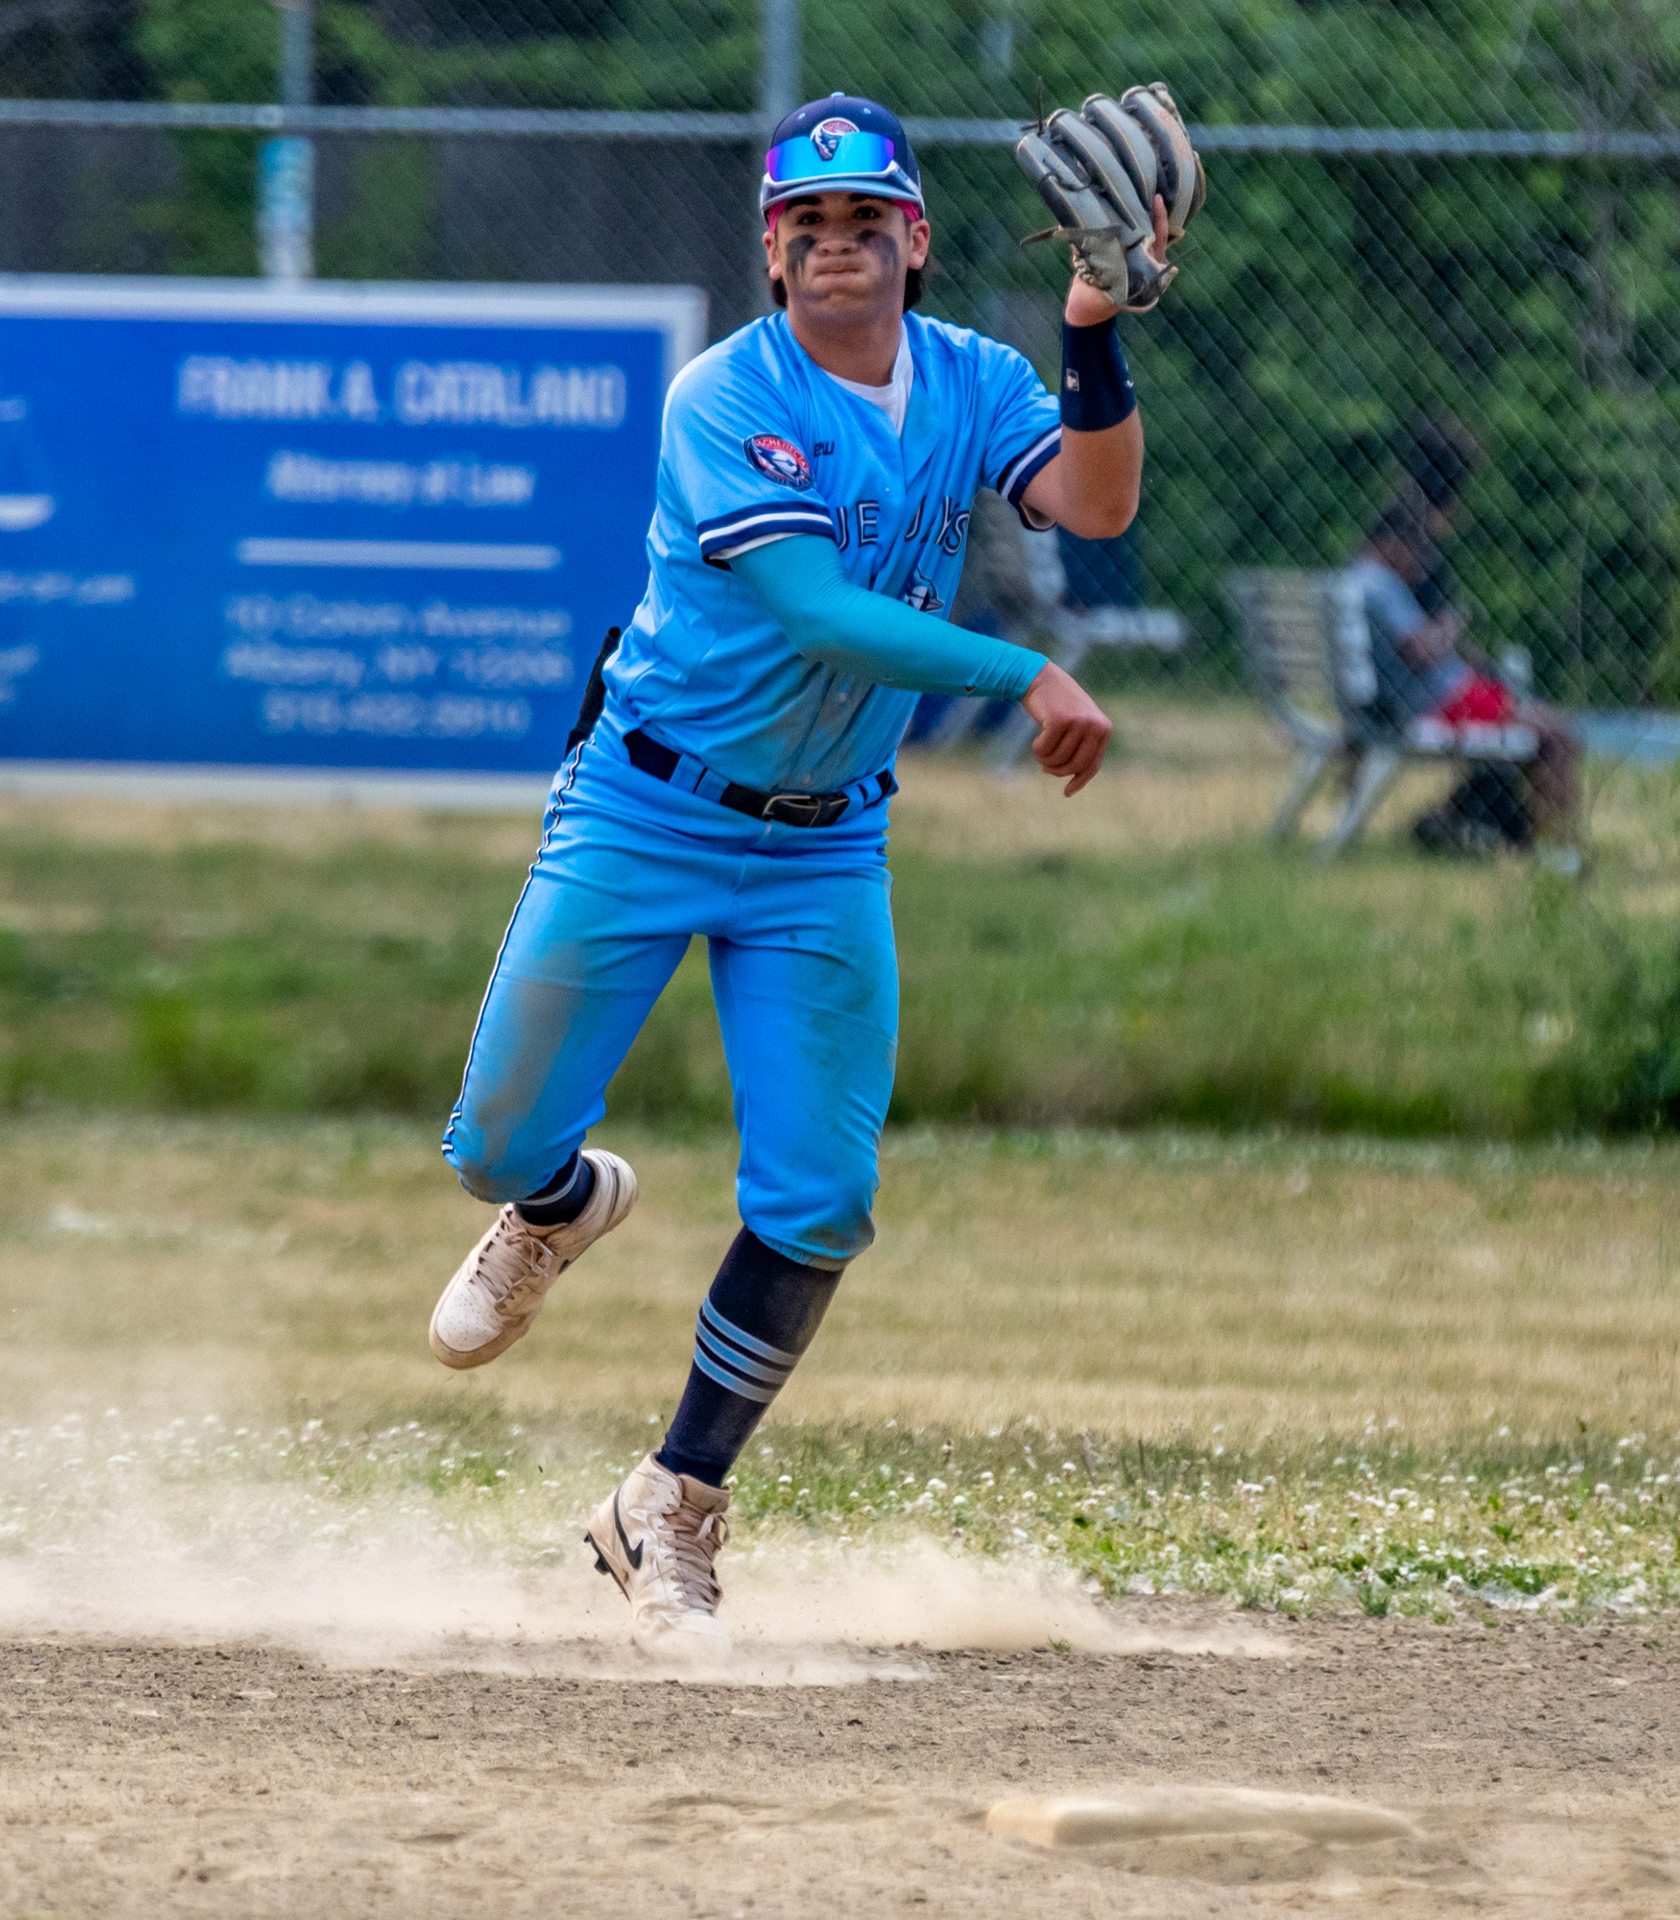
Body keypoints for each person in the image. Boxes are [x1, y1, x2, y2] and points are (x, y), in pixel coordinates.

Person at [424, 92, 1162, 1657]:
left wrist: (1093, 329)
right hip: (647, 809)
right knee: (491, 1142)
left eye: (865, 220)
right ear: (771, 254)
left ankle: (673, 1503)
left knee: (821, 1199)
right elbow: (819, 612)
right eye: (807, 223)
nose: (837, 245)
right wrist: (1024, 671)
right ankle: (559, 1204)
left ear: (916, 240)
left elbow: (1098, 504)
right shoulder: (725, 395)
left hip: (824, 843)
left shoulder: (975, 380)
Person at [1353, 487, 1578, 855]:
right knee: (1557, 733)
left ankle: (1463, 822)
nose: (1419, 566)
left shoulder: (1356, 580)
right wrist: (1449, 627)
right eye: (1417, 552)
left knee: (1538, 719)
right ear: (1394, 544)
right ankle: (1562, 851)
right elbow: (1420, 650)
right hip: (1441, 704)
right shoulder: (1381, 585)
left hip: (1427, 700)